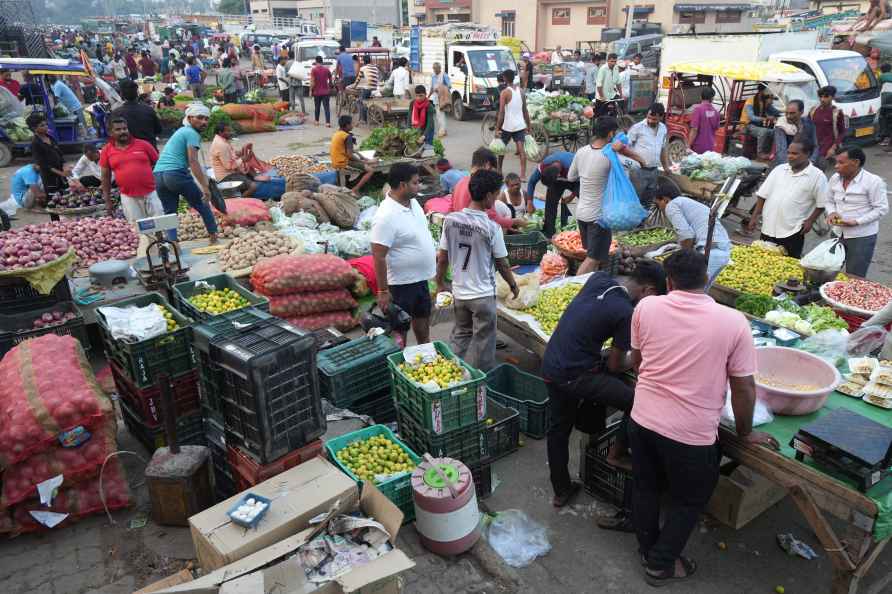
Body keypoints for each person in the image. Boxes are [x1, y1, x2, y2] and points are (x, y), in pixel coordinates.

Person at [630, 248, 779, 587]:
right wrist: (745, 433)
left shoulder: (647, 306)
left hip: (641, 420)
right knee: (689, 499)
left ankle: (646, 548)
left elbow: (638, 362)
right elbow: (744, 390)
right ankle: (660, 564)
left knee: (646, 487)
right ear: (708, 279)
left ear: (668, 282)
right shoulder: (732, 321)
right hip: (690, 435)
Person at [542, 262, 667, 511]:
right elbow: (616, 365)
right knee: (639, 403)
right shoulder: (625, 313)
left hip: (551, 364)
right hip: (575, 375)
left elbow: (588, 320)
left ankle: (561, 490)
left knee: (558, 429)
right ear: (648, 291)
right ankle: (617, 453)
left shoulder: (599, 279)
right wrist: (640, 356)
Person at [437, 169, 518, 372]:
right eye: (497, 193)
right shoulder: (491, 228)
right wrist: (513, 285)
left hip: (460, 293)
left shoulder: (450, 221)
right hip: (482, 296)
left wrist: (439, 282)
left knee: (461, 334)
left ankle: (451, 375)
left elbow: (442, 257)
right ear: (489, 196)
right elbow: (502, 264)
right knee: (484, 342)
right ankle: (483, 381)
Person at [370, 163, 437, 346]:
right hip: (400, 285)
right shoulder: (385, 216)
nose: (419, 186)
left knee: (423, 324)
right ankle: (400, 364)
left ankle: (425, 353)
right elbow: (378, 255)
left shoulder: (413, 202)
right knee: (400, 332)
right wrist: (383, 291)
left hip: (420, 280)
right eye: (415, 183)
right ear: (402, 185)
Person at [569, 116, 644, 275]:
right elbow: (639, 165)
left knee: (593, 255)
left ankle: (590, 288)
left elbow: (571, 177)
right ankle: (575, 287)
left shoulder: (581, 152)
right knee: (593, 259)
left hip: (581, 213)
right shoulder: (610, 156)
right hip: (599, 219)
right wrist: (624, 151)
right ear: (611, 134)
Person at [748, 139, 828, 259]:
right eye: (789, 153)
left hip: (793, 230)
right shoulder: (779, 169)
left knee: (787, 265)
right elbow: (763, 195)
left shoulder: (817, 176)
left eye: (795, 154)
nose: (790, 156)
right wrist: (754, 216)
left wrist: (810, 221)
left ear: (808, 154)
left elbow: (822, 203)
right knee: (762, 260)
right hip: (768, 227)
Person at [153, 104, 218, 243]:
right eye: (200, 118)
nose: (204, 122)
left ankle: (173, 245)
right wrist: (205, 187)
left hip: (158, 175)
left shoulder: (181, 131)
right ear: (189, 118)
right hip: (175, 174)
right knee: (203, 204)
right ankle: (214, 238)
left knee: (169, 214)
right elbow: (193, 161)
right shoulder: (191, 133)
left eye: (206, 119)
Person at [654, 178, 730, 288]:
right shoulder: (687, 202)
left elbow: (687, 235)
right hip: (723, 251)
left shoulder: (671, 205)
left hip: (709, 253)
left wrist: (683, 260)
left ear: (665, 199)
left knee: (689, 292)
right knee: (700, 294)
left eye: (658, 204)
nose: (659, 208)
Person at [826, 147, 889, 277]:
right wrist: (832, 212)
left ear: (855, 162)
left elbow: (881, 208)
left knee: (855, 276)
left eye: (841, 163)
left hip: (861, 237)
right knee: (829, 270)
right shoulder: (835, 179)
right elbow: (828, 200)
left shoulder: (873, 181)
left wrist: (857, 222)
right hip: (837, 232)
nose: (836, 166)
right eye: (836, 162)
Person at [101, 117, 163, 222]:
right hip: (128, 197)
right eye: (118, 129)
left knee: (160, 224)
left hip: (151, 192)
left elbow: (160, 165)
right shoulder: (106, 150)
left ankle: (161, 239)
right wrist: (107, 200)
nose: (123, 132)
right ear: (110, 132)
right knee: (138, 229)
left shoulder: (144, 145)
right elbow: (105, 177)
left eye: (125, 129)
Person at [451, 147, 523, 232]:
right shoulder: (482, 185)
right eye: (492, 171)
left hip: (460, 229)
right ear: (488, 166)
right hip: (476, 231)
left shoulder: (460, 182)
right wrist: (515, 222)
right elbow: (492, 218)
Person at [210, 122, 285, 199]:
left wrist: (240, 153)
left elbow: (230, 155)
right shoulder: (221, 145)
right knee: (253, 187)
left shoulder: (222, 141)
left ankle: (255, 177)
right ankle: (241, 200)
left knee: (248, 165)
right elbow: (229, 166)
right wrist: (242, 159)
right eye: (228, 131)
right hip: (226, 176)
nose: (231, 133)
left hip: (230, 172)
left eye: (230, 130)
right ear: (220, 132)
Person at [627, 103, 670, 208]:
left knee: (647, 201)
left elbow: (663, 149)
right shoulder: (637, 128)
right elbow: (625, 148)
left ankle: (643, 223)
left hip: (654, 171)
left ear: (661, 117)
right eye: (649, 117)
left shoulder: (663, 129)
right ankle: (633, 223)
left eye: (654, 119)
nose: (650, 121)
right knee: (635, 200)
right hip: (638, 171)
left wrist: (666, 167)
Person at [528, 151, 576, 237]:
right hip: (557, 181)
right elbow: (531, 182)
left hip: (575, 180)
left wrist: (572, 196)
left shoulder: (572, 165)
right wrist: (530, 202)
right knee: (550, 205)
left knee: (586, 203)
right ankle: (549, 234)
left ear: (558, 175)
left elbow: (584, 183)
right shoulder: (544, 166)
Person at [495, 69, 531, 180]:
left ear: (505, 78)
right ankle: (523, 175)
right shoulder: (521, 91)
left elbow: (501, 112)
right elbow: (525, 110)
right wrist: (528, 125)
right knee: (521, 150)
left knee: (501, 149)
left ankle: (499, 171)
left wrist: (497, 128)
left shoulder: (504, 92)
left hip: (508, 126)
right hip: (520, 125)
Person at [112, 79, 162, 149]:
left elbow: (113, 135)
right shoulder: (149, 110)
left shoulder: (116, 113)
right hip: (150, 151)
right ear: (137, 93)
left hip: (128, 152)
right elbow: (158, 130)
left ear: (121, 94)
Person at [331, 115, 374, 195]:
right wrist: (363, 162)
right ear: (347, 125)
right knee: (370, 170)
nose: (353, 125)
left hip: (336, 160)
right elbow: (350, 155)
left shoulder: (338, 133)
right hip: (342, 162)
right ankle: (355, 189)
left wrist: (361, 156)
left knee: (362, 164)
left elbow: (348, 150)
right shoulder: (347, 137)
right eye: (351, 124)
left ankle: (350, 185)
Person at [27, 113, 69, 195]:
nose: (46, 126)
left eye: (46, 124)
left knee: (67, 197)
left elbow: (60, 154)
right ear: (34, 128)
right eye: (42, 125)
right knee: (55, 201)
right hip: (50, 179)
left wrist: (65, 166)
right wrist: (61, 173)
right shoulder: (35, 143)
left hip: (62, 176)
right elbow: (43, 165)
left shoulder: (50, 138)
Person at [773, 99, 819, 166]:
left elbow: (815, 145)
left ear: (801, 112)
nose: (788, 116)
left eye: (792, 113)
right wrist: (790, 167)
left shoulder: (809, 123)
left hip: (807, 161)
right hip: (787, 163)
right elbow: (781, 151)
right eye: (787, 113)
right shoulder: (781, 126)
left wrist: (811, 162)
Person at [741, 84, 780, 159]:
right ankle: (760, 154)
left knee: (775, 132)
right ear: (761, 92)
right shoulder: (750, 101)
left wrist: (787, 112)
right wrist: (766, 118)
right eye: (770, 98)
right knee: (764, 131)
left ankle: (771, 152)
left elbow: (776, 112)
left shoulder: (764, 102)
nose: (771, 101)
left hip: (757, 126)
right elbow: (751, 117)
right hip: (747, 125)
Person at [810, 86, 847, 162]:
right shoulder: (813, 111)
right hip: (814, 147)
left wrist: (833, 148)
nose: (822, 99)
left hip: (827, 149)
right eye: (821, 96)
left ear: (832, 97)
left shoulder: (836, 113)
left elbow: (842, 132)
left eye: (826, 96)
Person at [687, 87, 720, 154]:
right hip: (710, 147)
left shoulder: (698, 110)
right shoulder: (716, 112)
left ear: (701, 97)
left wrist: (688, 145)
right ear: (712, 98)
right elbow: (716, 128)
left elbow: (694, 129)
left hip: (698, 147)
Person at [309, 55, 333, 127]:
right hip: (326, 92)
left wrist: (310, 90)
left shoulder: (314, 70)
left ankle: (316, 121)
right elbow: (330, 77)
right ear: (322, 61)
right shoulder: (326, 69)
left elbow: (312, 81)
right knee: (326, 107)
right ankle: (327, 123)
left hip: (317, 92)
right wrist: (330, 84)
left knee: (317, 107)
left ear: (316, 61)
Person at [429, 62, 450, 137]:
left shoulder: (444, 75)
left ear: (439, 68)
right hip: (435, 98)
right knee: (438, 115)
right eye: (434, 69)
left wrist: (440, 89)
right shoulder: (433, 76)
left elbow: (449, 86)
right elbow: (432, 87)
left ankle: (442, 131)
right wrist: (428, 96)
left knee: (441, 114)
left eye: (436, 69)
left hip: (442, 98)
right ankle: (443, 130)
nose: (435, 70)